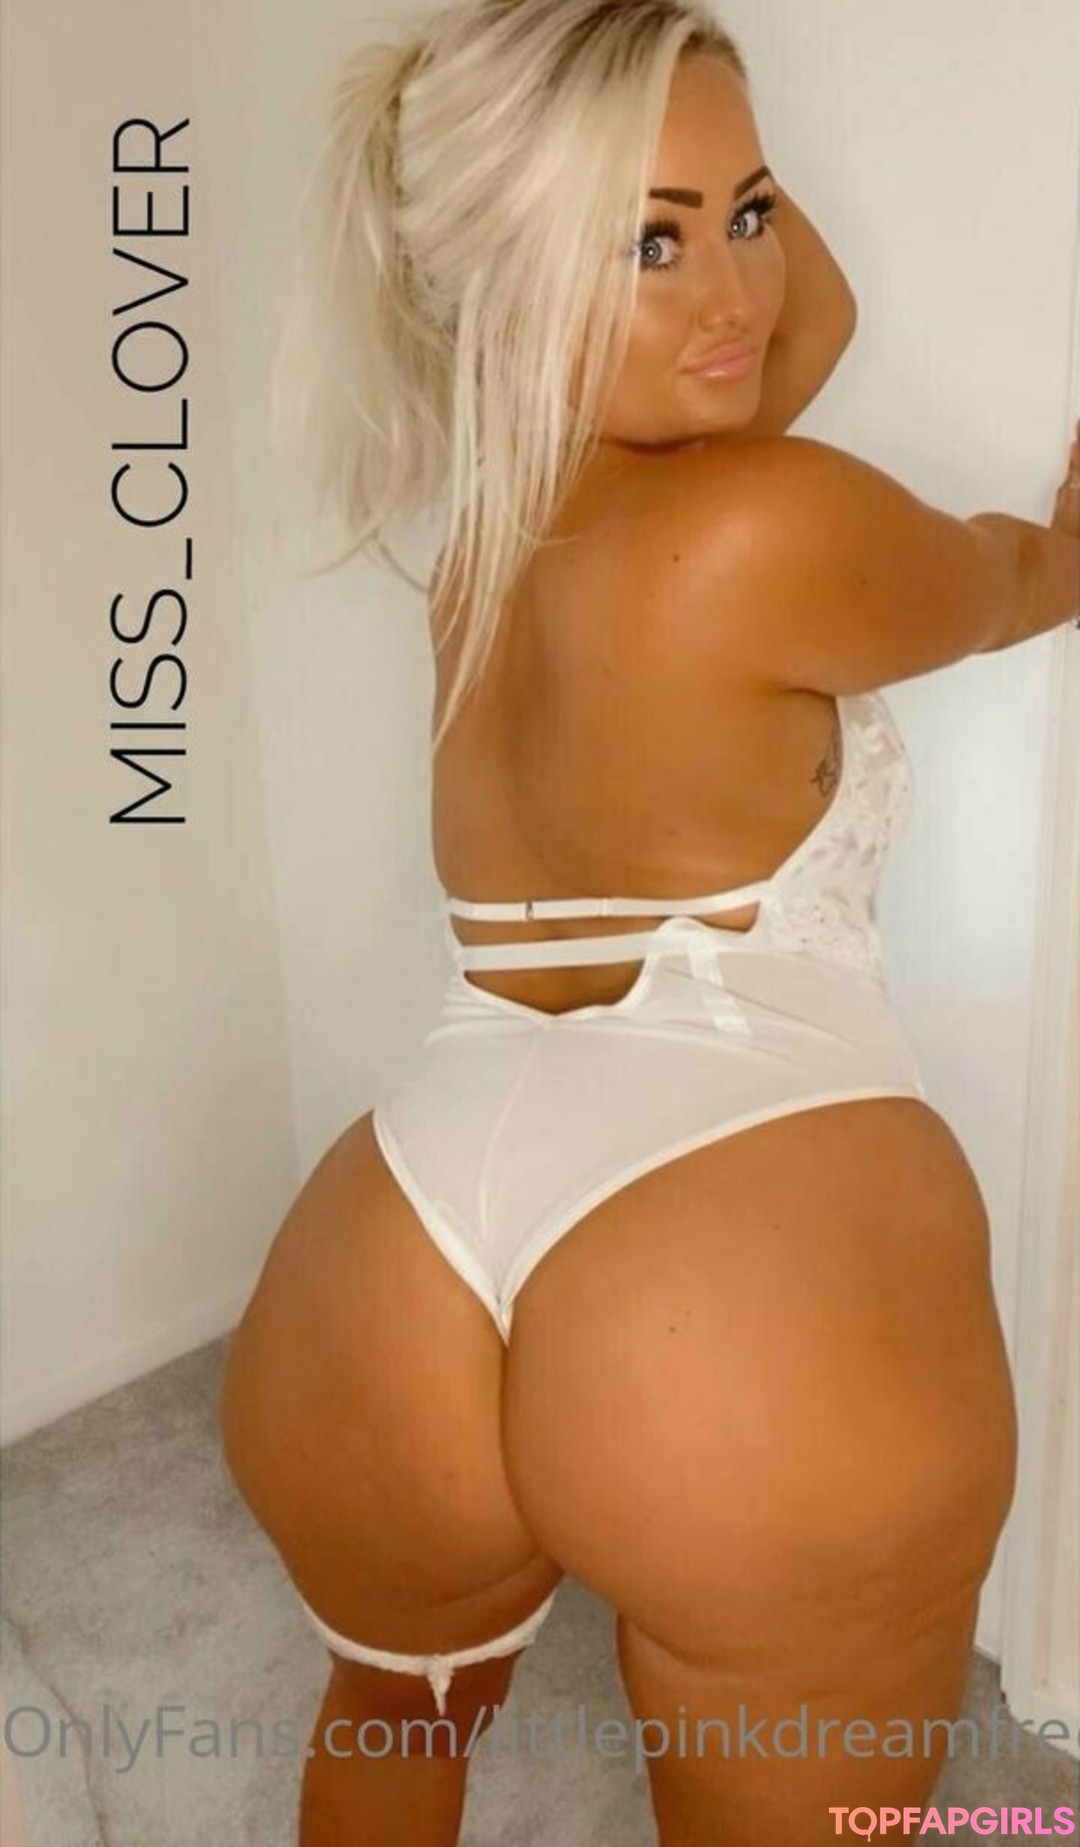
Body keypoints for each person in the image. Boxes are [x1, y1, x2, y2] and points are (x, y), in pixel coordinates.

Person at [218, 4, 1080, 1843]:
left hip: (400, 1243)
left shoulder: (489, 536)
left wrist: (659, 175)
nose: (739, 296)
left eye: (747, 212)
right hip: (720, 1246)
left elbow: (783, 334)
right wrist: (1070, 547)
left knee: (395, 1725)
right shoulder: (776, 526)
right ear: (513, 285)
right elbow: (1012, 579)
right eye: (649, 244)